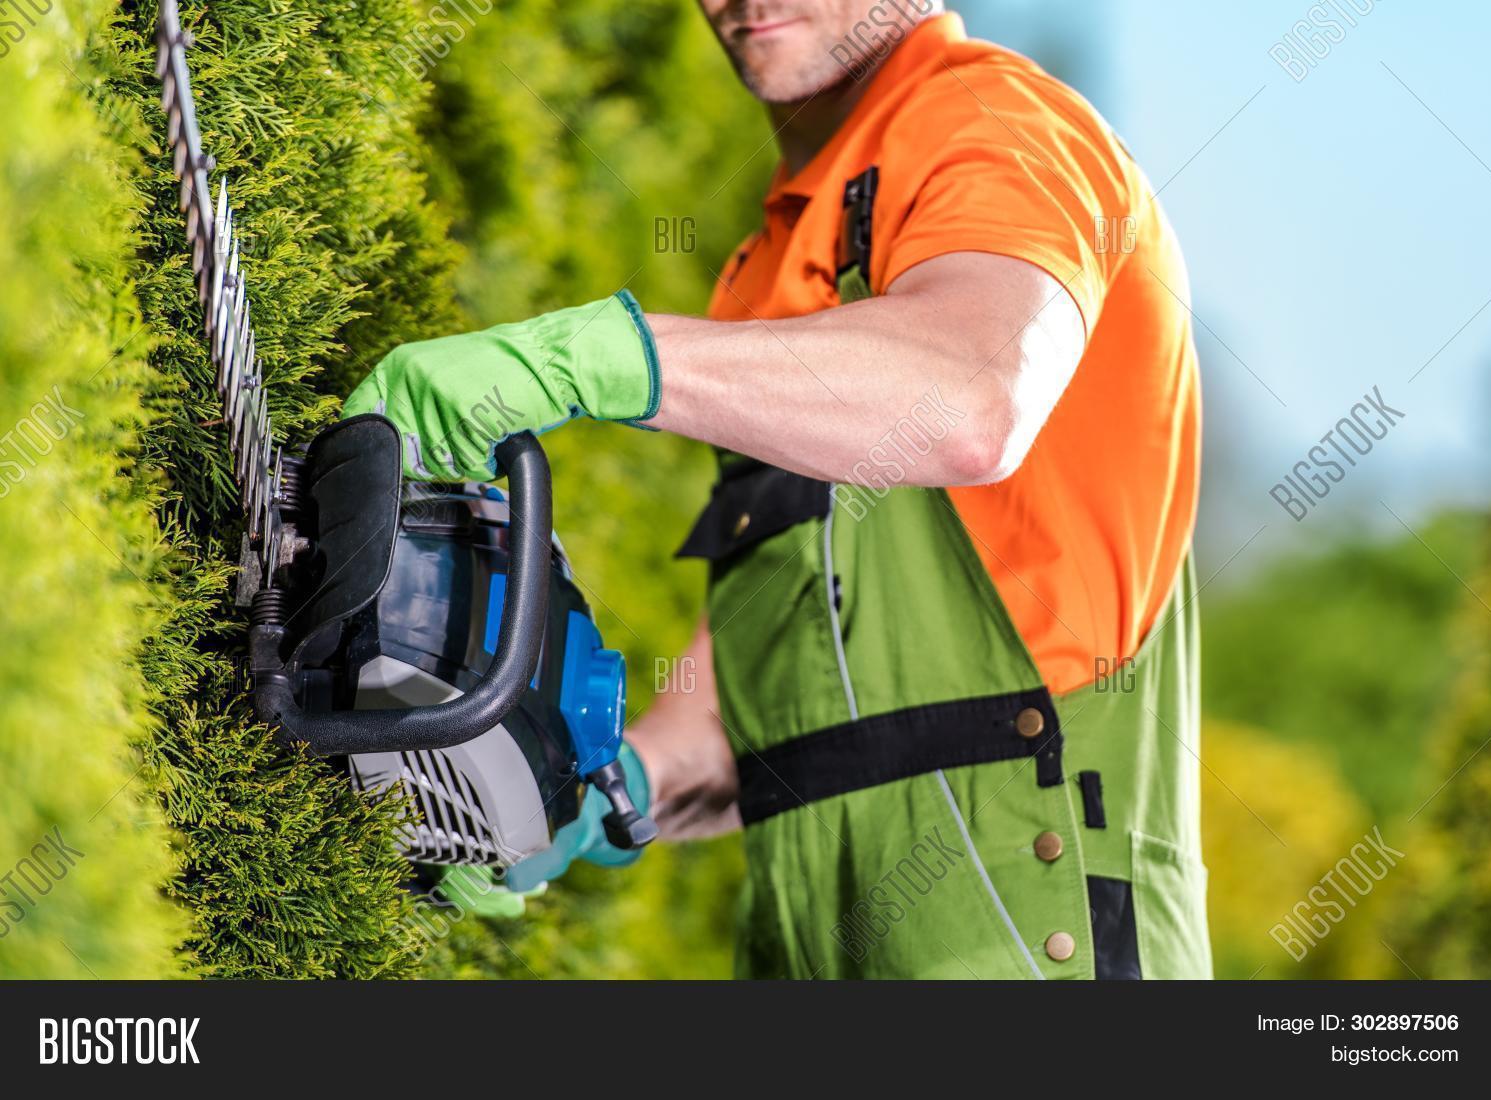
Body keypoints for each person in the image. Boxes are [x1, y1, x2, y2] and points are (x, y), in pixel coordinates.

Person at [344, 1, 1209, 979]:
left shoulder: (998, 122)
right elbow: (766, 695)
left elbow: (975, 391)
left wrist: (579, 360)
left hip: (1030, 938)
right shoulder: (770, 267)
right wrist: (604, 787)